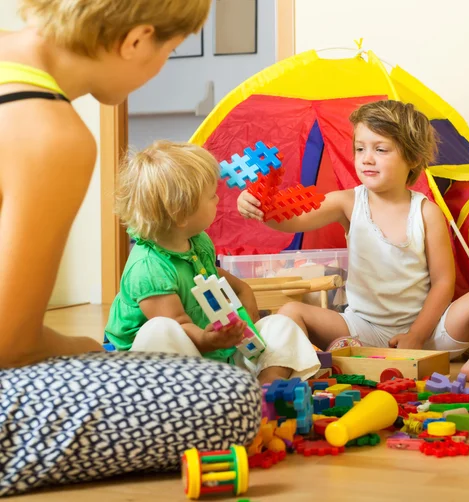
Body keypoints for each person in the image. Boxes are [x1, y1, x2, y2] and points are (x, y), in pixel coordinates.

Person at [0, 0, 261, 496]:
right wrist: (92, 352)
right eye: (172, 48)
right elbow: (10, 345)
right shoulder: (49, 133)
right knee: (231, 399)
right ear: (137, 39)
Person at [237, 99, 469, 385]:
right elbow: (293, 220)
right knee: (290, 311)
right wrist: (260, 207)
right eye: (360, 148)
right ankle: (279, 377)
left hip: (428, 333)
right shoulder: (347, 202)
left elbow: (442, 283)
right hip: (362, 328)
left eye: (381, 149)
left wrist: (417, 334)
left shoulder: (425, 212)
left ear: (412, 158)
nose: (366, 158)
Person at [104, 140, 321, 385]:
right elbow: (178, 323)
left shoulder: (197, 240)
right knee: (161, 329)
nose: (218, 199)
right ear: (180, 214)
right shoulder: (147, 268)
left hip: (212, 350)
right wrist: (210, 341)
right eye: (211, 196)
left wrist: (243, 291)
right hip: (163, 362)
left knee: (282, 325)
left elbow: (209, 272)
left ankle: (265, 388)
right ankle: (201, 394)